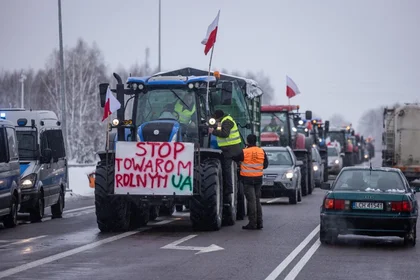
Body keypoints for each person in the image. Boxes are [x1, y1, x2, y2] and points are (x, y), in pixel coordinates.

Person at [233, 134, 269, 230]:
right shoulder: (261, 151)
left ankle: (252, 223)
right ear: (255, 141)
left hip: (247, 179)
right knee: (257, 200)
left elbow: (235, 158)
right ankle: (259, 222)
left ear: (247, 141)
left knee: (251, 201)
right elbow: (265, 165)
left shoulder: (244, 152)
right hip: (258, 179)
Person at [208, 109, 243, 203]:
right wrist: (214, 127)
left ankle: (229, 189)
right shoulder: (221, 121)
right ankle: (228, 187)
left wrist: (212, 132)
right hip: (227, 149)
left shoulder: (227, 121)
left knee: (227, 170)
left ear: (218, 117)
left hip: (231, 149)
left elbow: (224, 134)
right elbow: (219, 129)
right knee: (226, 169)